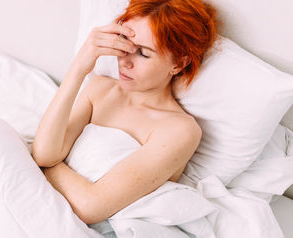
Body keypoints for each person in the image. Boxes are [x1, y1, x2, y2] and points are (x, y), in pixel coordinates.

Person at [31, 0, 219, 225]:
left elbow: (90, 207)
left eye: (143, 54)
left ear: (179, 63)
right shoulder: (99, 88)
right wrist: (79, 68)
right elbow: (43, 154)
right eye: (125, 44)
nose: (125, 61)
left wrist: (48, 167)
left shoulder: (179, 130)